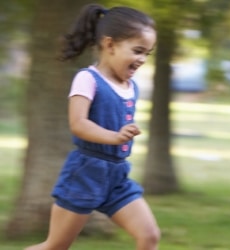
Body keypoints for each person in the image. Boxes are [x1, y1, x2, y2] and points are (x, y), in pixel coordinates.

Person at [26, 4, 160, 250]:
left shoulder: (131, 86)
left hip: (117, 177)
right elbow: (78, 124)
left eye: (147, 53)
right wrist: (115, 136)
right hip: (85, 174)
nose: (142, 59)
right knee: (55, 246)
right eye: (138, 50)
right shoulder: (88, 79)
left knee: (149, 236)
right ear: (110, 45)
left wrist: (119, 137)